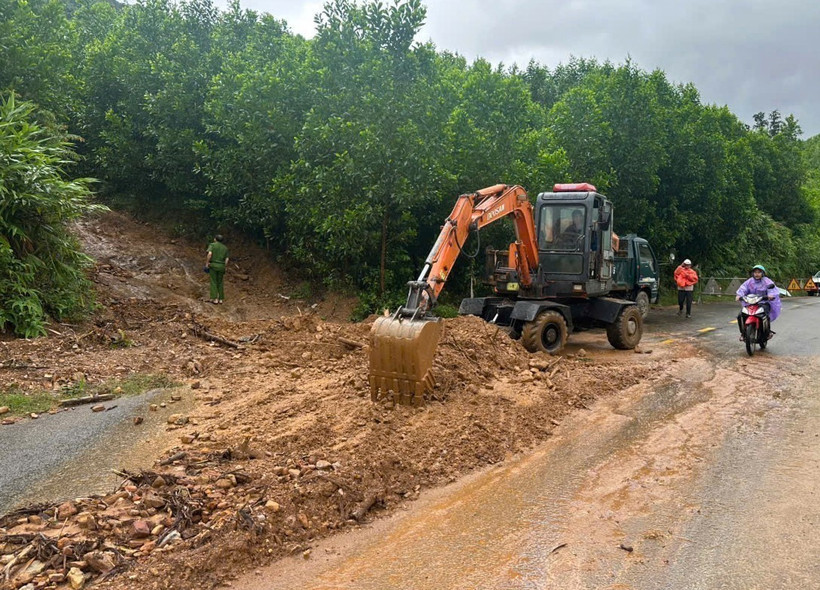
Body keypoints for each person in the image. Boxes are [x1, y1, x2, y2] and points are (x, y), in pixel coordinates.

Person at [735, 264, 781, 339]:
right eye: (755, 272)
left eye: (759, 272)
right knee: (740, 315)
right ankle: (743, 334)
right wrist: (739, 295)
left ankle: (767, 331)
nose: (757, 274)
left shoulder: (766, 281)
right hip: (751, 302)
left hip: (764, 302)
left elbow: (772, 289)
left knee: (766, 315)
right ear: (752, 273)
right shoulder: (749, 281)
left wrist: (770, 295)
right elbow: (743, 288)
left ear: (762, 273)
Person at [206, 234, 230, 304]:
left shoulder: (212, 245)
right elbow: (227, 259)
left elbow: (209, 254)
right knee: (220, 282)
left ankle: (214, 298)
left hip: (213, 265)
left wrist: (207, 263)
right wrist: (224, 266)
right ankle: (221, 299)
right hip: (221, 266)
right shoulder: (225, 248)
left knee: (213, 281)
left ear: (215, 239)